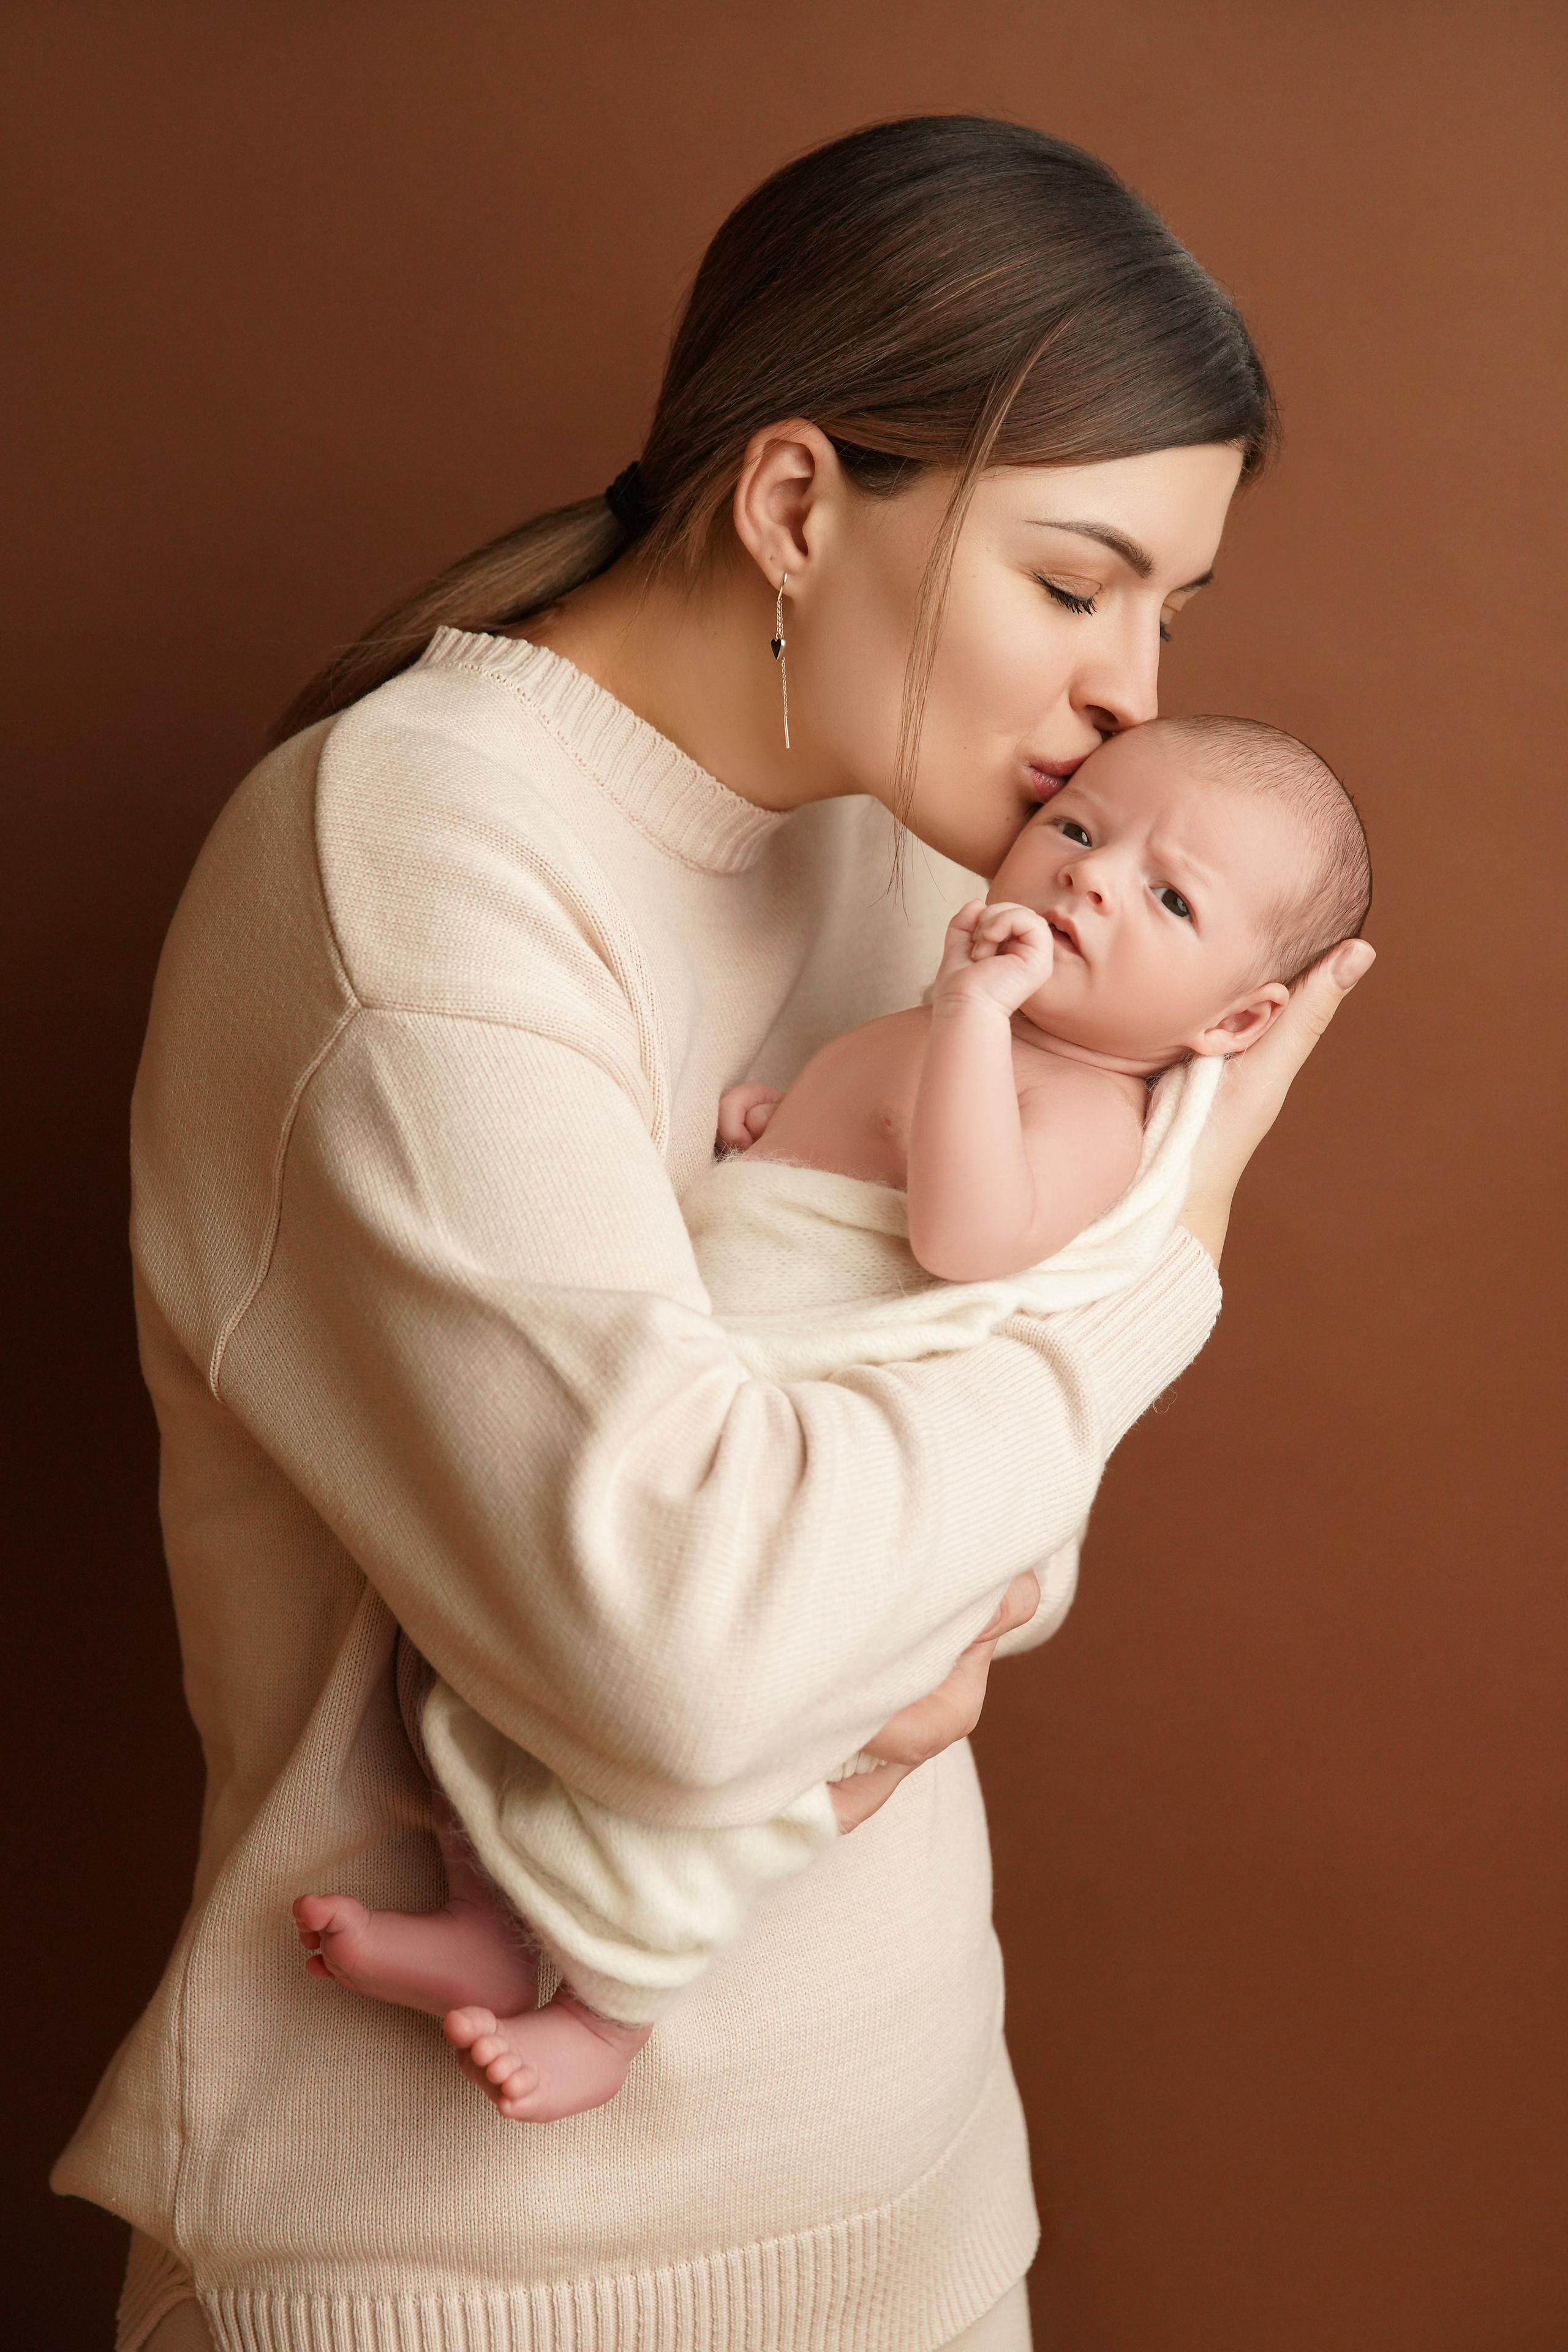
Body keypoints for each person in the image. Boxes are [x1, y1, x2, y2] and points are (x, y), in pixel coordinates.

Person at [55, 116, 1373, 2352]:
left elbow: (980, 1560)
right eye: (1076, 583)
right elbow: (696, 1669)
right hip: (476, 2277)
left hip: (916, 2184)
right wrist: (1168, 1256)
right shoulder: (411, 875)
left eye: (1173, 605)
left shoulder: (920, 843)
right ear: (790, 507)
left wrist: (898, 1635)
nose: (1136, 694)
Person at [289, 714, 1372, 2125]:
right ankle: (488, 1924)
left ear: (1231, 1024)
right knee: (482, 1674)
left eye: (1168, 899)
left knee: (692, 1811)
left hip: (811, 1455)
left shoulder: (1086, 1106)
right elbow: (848, 1142)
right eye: (1080, 831)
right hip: (707, 1383)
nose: (1092, 881)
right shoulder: (963, 999)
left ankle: (610, 2016)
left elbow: (969, 1235)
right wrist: (772, 1123)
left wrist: (972, 1024)